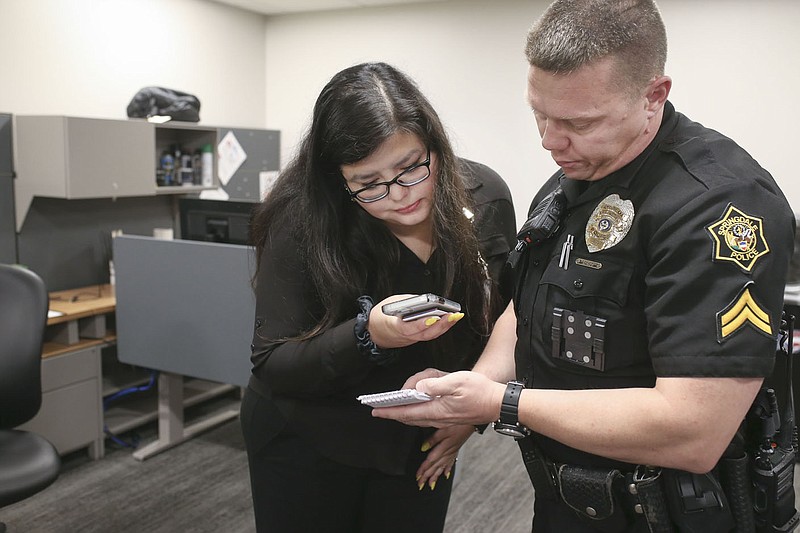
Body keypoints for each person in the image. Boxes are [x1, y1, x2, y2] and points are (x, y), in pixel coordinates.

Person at [373, 1, 796, 531]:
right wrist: (472, 391)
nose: (550, 140)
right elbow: (527, 310)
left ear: (653, 96)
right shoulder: (572, 179)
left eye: (578, 122)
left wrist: (502, 403)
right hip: (565, 498)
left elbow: (694, 431)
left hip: (668, 512)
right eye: (540, 114)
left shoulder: (717, 206)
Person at [240, 61, 516, 533]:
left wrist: (471, 414)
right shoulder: (302, 218)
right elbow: (273, 362)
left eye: (411, 168)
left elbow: (503, 319)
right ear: (337, 178)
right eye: (369, 183)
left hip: (420, 436)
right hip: (310, 437)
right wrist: (369, 335)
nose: (399, 195)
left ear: (434, 145)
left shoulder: (483, 196)